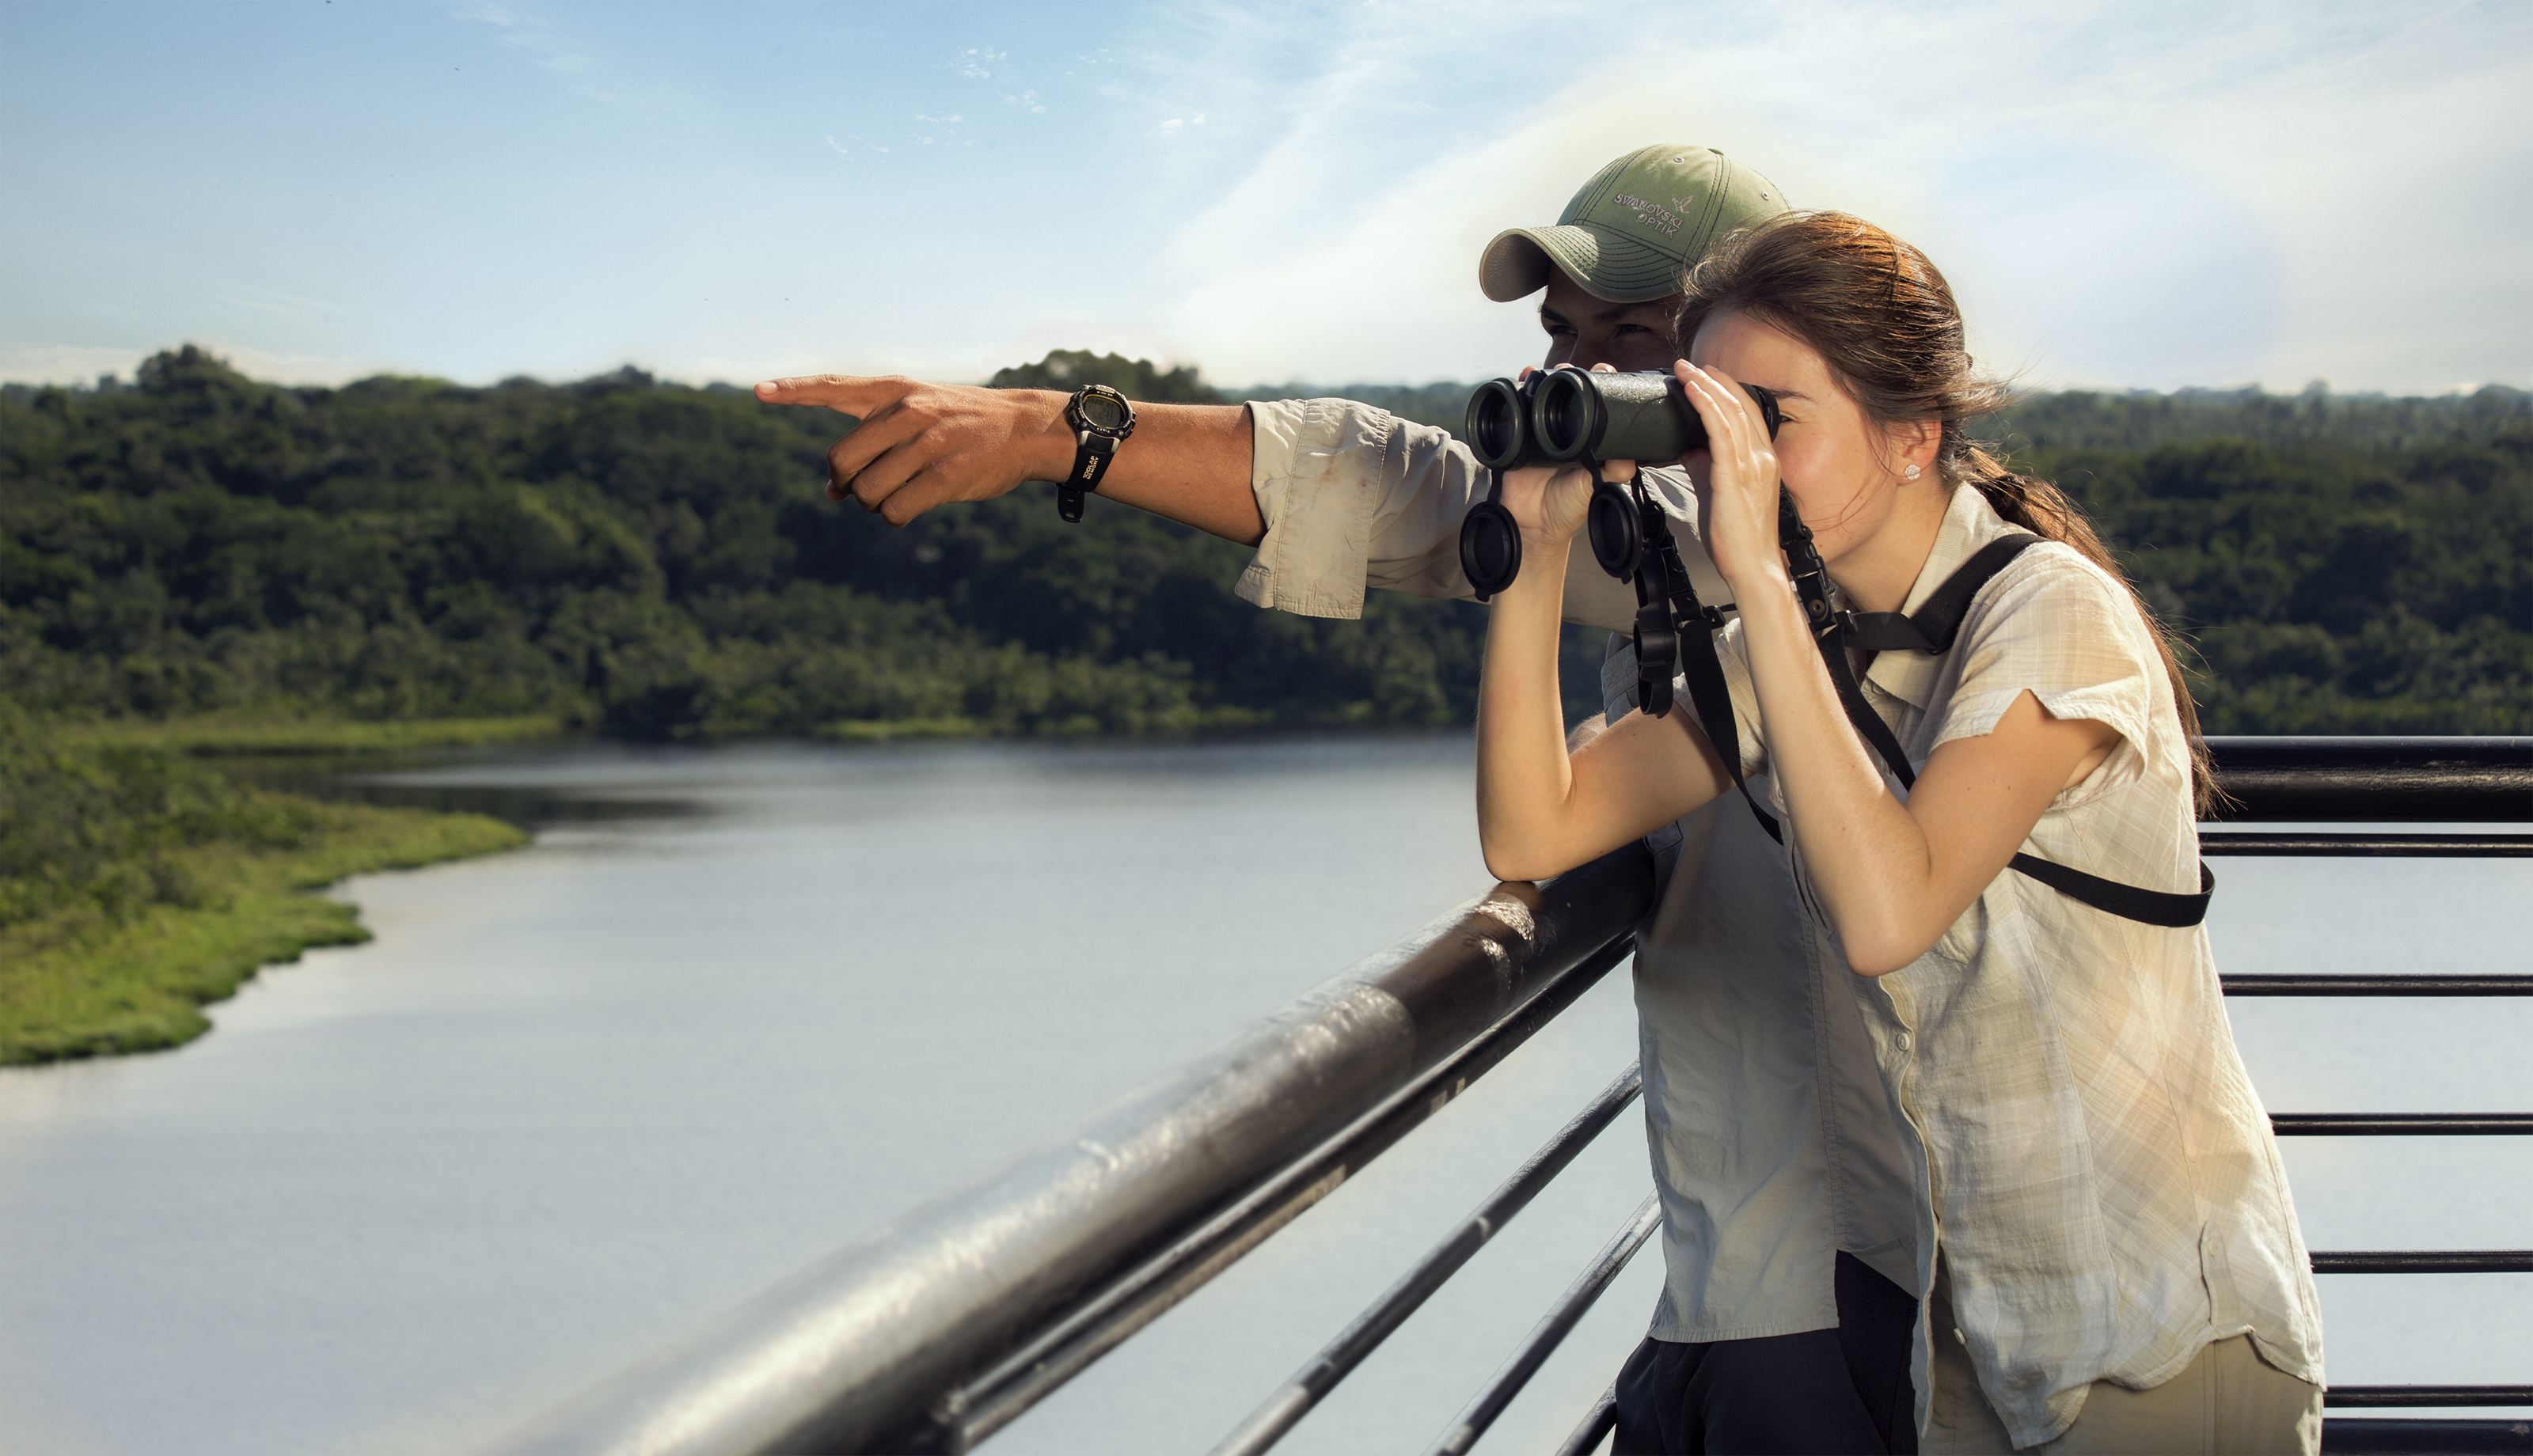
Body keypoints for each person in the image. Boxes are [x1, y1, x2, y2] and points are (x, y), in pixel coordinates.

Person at [766, 147, 1931, 1453]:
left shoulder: (1825, 561)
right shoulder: (1688, 561)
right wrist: (1048, 429)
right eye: (1563, 339)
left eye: (1636, 344)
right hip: (1730, 1275)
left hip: (1849, 1290)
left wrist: (1054, 432)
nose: (1580, 384)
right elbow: (1426, 504)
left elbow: (1416, 499)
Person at [1473, 210, 2326, 1453]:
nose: (1730, 466)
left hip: (2158, 1341)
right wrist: (1536, 558)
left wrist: (1756, 574)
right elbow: (1533, 829)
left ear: (1914, 435)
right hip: (1975, 1342)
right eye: (1709, 421)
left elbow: (1889, 911)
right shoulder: (1806, 645)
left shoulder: (2051, 612)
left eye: (1772, 424)